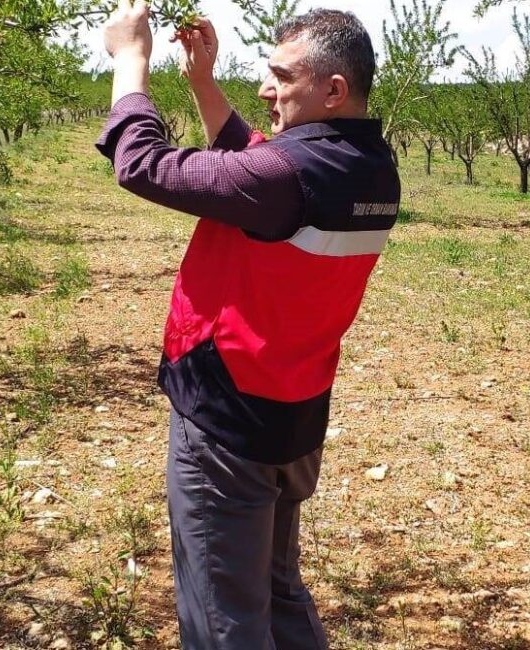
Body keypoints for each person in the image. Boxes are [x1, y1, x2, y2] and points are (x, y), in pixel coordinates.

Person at [97, 2, 400, 648]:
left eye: (281, 77)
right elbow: (260, 166)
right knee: (278, 592)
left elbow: (142, 164)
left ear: (333, 90)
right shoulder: (371, 168)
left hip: (227, 424)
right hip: (294, 415)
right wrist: (203, 84)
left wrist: (130, 60)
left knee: (222, 618)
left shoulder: (287, 177)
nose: (265, 89)